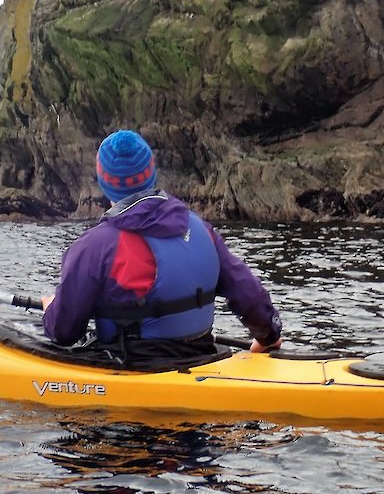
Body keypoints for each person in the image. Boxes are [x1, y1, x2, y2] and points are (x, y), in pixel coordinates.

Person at [42, 129, 282, 361]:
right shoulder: (202, 229)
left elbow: (63, 333)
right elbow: (248, 293)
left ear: (104, 182)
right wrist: (268, 336)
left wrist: (51, 309)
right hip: (200, 353)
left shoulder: (93, 247)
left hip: (133, 365)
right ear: (151, 172)